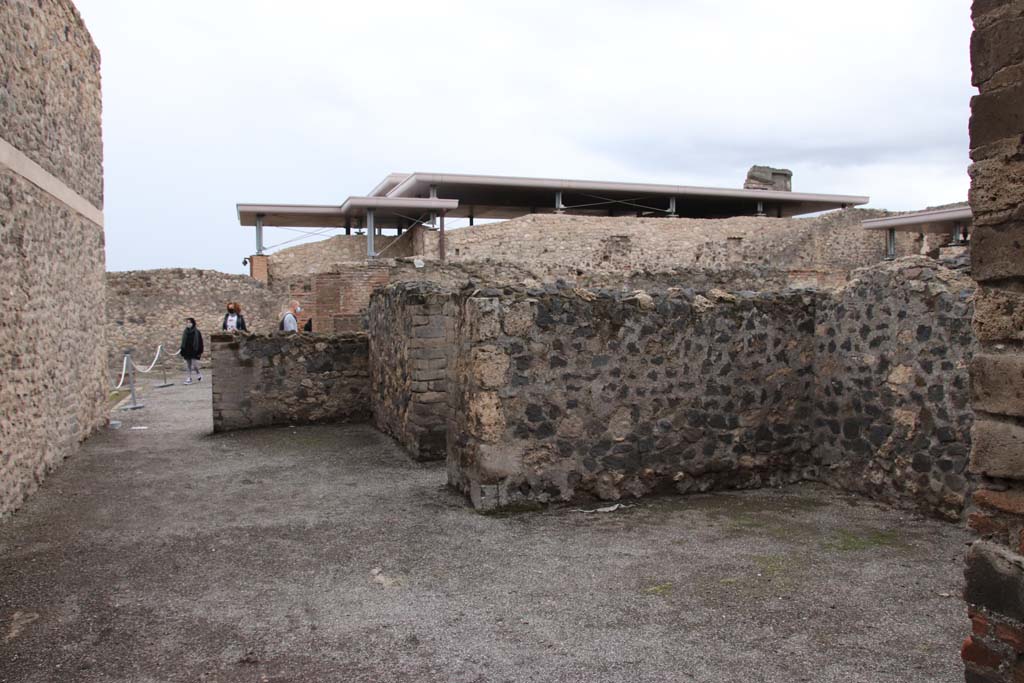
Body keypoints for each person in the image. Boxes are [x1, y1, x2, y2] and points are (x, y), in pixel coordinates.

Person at [179, 317, 204, 384]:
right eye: (187, 322)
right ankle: (189, 378)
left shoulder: (197, 332)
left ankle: (198, 373)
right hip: (187, 349)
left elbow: (200, 342)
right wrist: (182, 349)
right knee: (188, 365)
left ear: (193, 323)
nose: (188, 324)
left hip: (194, 350)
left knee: (194, 365)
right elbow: (183, 341)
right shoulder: (185, 332)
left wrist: (199, 351)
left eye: (190, 322)